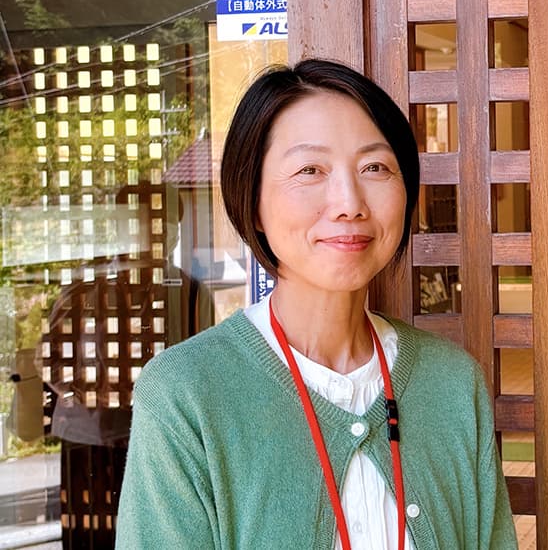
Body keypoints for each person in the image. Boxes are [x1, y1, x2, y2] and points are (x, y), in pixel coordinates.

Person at [116, 59, 517, 549]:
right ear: (252, 200)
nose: (349, 203)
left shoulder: (453, 384)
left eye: (375, 168)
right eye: (310, 170)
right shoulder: (186, 394)